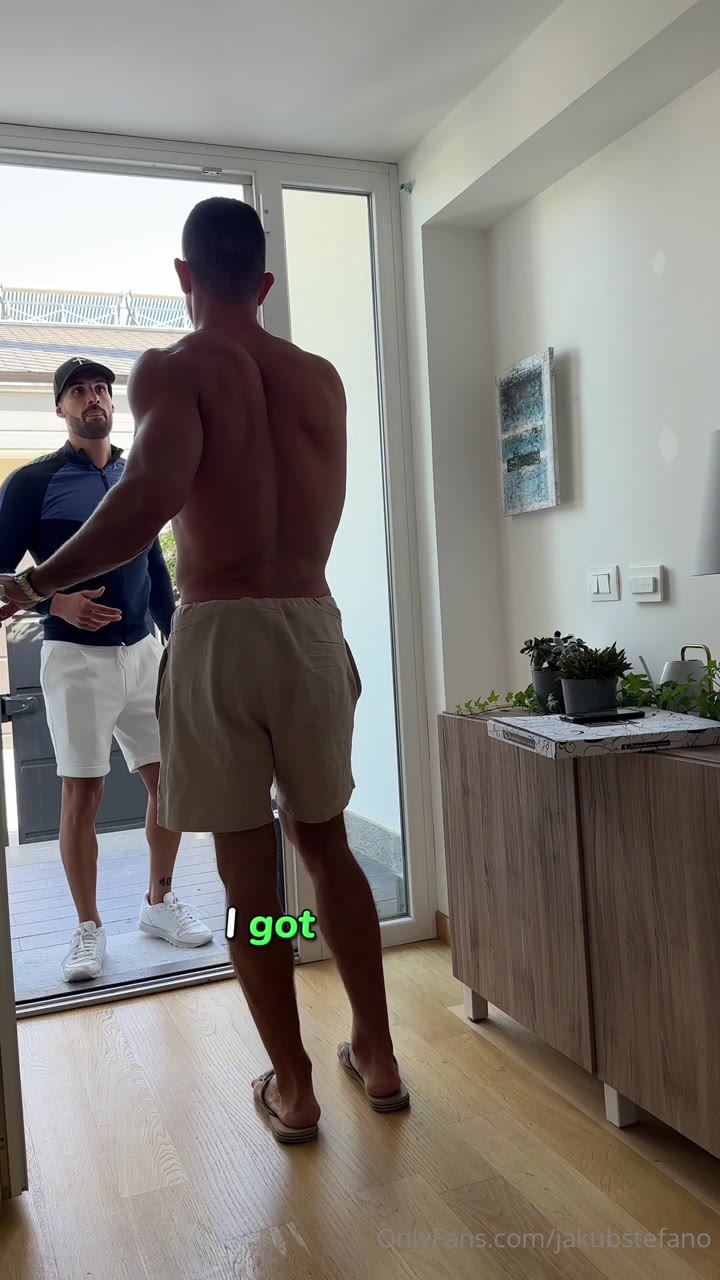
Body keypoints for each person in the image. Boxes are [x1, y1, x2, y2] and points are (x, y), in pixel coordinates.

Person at [0, 198, 409, 1142]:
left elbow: (147, 498)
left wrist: (35, 584)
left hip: (222, 629)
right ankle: (380, 1055)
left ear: (184, 278)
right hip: (311, 625)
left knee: (247, 875)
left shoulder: (174, 367)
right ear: (263, 283)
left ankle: (295, 1088)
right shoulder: (321, 378)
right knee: (328, 846)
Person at [0, 357, 212, 982]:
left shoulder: (134, 473)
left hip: (144, 653)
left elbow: (154, 568)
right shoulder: (32, 483)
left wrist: (177, 638)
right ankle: (88, 929)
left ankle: (158, 903)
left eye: (101, 390)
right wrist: (54, 601)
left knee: (168, 784)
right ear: (60, 408)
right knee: (82, 796)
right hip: (74, 660)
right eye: (78, 392)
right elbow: (1, 571)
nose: (93, 398)